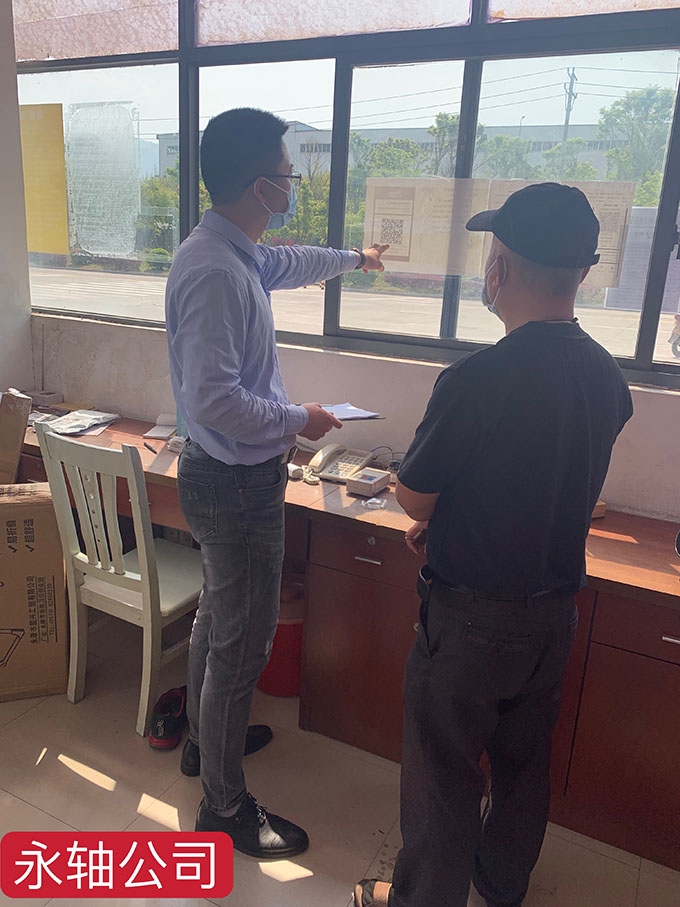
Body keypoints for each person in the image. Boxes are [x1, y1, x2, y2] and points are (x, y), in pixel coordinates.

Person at [354, 183, 633, 907]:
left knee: (442, 774)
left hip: (471, 623)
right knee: (521, 765)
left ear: (500, 268)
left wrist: (433, 513)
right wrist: (456, 520)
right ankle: (501, 884)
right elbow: (543, 481)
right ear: (582, 272)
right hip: (553, 615)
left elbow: (414, 495)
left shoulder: (477, 378)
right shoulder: (607, 376)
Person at [165, 107, 387, 858]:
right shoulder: (216, 271)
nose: (294, 185)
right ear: (261, 185)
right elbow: (214, 400)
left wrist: (356, 258)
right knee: (241, 642)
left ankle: (205, 744)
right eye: (289, 175)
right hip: (234, 483)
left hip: (226, 476)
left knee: (218, 619)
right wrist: (302, 417)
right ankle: (224, 807)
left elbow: (293, 264)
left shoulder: (236, 253)